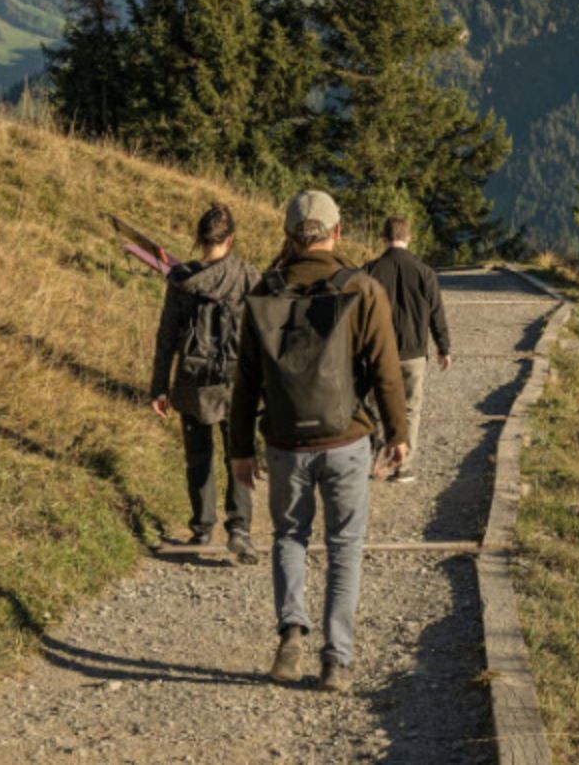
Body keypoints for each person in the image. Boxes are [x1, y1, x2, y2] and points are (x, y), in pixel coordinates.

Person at [231, 190, 407, 692]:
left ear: (288, 235)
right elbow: (387, 371)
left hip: (285, 442)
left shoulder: (264, 291)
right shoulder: (362, 289)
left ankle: (290, 636)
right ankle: (336, 659)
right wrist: (398, 434)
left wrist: (241, 450)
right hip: (346, 438)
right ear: (337, 231)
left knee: (289, 536)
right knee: (344, 546)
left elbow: (245, 381)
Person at [150, 203, 259, 565]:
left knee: (199, 457)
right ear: (231, 239)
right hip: (237, 382)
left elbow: (167, 337)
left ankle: (201, 528)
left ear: (199, 239)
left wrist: (159, 387)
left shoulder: (182, 281)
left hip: (192, 381)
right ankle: (240, 528)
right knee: (238, 455)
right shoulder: (248, 277)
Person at [362, 215, 452, 483]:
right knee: (410, 409)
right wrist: (443, 347)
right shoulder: (425, 272)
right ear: (409, 237)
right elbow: (437, 313)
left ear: (383, 238)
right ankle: (404, 465)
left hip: (378, 354)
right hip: (413, 354)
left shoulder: (369, 271)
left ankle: (380, 460)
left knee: (376, 407)